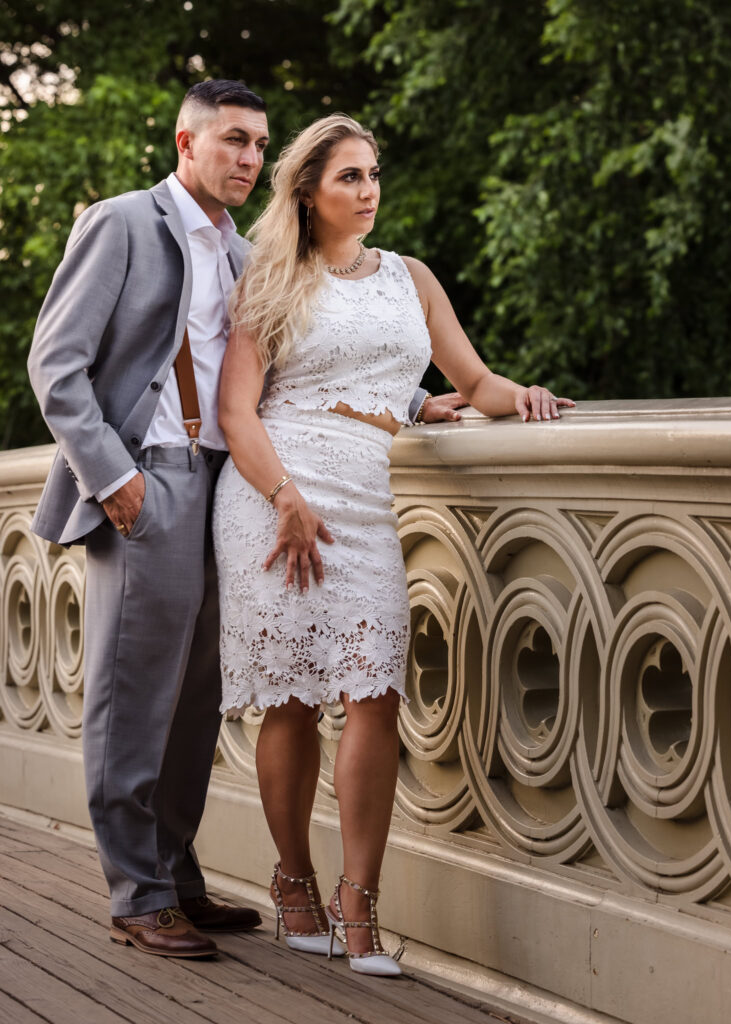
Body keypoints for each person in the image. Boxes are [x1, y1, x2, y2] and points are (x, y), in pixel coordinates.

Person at [26, 79, 464, 961]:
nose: (248, 158)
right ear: (184, 142)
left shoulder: (245, 252)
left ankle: (177, 875)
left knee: (195, 700)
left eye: (259, 144)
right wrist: (116, 481)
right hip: (149, 478)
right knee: (132, 693)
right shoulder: (122, 223)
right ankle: (138, 895)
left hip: (227, 484)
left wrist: (412, 403)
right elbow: (56, 368)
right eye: (232, 139)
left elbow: (298, 360)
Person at [213, 113, 574, 976]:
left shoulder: (410, 276)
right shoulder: (272, 277)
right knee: (292, 702)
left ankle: (358, 906)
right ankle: (294, 882)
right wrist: (286, 499)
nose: (369, 190)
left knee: (373, 695)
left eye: (373, 174)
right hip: (277, 496)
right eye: (350, 177)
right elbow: (235, 411)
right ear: (308, 192)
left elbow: (471, 378)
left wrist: (518, 396)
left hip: (366, 502)